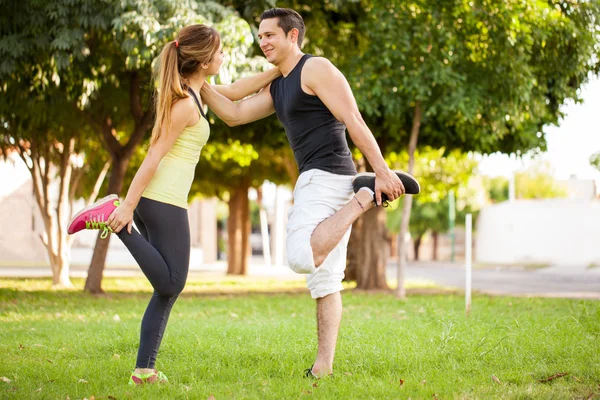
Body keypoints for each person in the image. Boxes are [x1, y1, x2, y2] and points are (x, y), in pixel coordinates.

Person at [200, 8, 420, 378]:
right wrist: (193, 79)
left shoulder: (316, 69)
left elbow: (353, 118)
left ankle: (364, 197)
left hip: (327, 176)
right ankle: (322, 369)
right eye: (261, 35)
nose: (263, 41)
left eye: (270, 34)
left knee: (302, 258)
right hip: (323, 178)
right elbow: (234, 113)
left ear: (292, 36)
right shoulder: (279, 84)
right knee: (325, 280)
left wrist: (381, 172)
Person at [67, 24, 281, 385]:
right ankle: (111, 216)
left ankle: (143, 372)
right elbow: (153, 156)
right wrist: (128, 205)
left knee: (165, 291)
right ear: (202, 59)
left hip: (167, 199)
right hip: (160, 199)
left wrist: (281, 68)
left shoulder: (199, 92)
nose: (225, 55)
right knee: (171, 283)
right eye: (220, 51)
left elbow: (238, 94)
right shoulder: (185, 105)